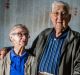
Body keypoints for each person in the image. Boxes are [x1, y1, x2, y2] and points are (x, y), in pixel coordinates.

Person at [0, 1, 80, 75]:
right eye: (56, 13)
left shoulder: (76, 39)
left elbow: (78, 68)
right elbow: (31, 52)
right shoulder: (44, 34)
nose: (59, 17)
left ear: (69, 17)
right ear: (51, 16)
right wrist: (8, 49)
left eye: (63, 13)